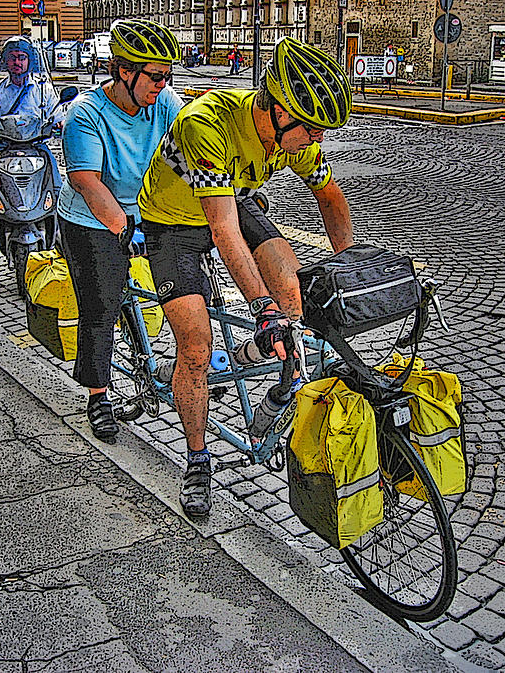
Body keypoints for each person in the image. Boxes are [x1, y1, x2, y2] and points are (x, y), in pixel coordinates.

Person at [136, 36, 354, 516]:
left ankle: (256, 359)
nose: (317, 140)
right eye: (312, 130)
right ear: (276, 110)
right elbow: (223, 231)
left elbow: (329, 195)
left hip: (231, 199)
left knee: (294, 294)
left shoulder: (294, 135)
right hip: (174, 222)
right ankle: (196, 459)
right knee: (194, 346)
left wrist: (352, 265)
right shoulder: (206, 124)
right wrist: (262, 309)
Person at [57, 19, 182, 442]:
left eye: (168, 77)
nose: (163, 86)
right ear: (123, 71)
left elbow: (194, 148)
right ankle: (98, 394)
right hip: (91, 216)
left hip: (146, 207)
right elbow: (88, 182)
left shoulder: (163, 102)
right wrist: (124, 228)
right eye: (156, 76)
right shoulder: (86, 114)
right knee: (102, 304)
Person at [0, 36, 64, 286]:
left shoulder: (43, 90)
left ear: (30, 61)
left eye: (22, 58)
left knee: (62, 195)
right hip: (3, 148)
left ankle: (67, 255)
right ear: (5, 61)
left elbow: (56, 113)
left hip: (37, 147)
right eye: (12, 58)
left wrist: (61, 122)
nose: (17, 63)